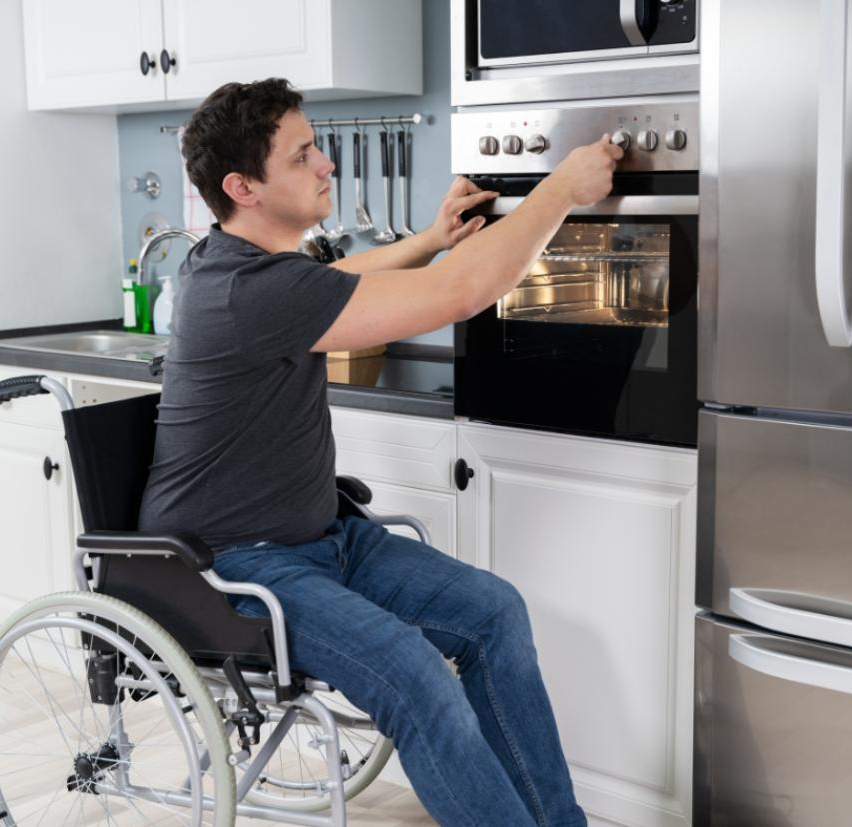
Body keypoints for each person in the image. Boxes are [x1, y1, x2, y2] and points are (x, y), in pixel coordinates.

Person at [139, 78, 622, 826]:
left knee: (494, 612)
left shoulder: (242, 267)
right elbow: (461, 294)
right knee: (416, 675)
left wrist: (427, 240)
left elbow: (331, 281)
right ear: (244, 187)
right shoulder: (247, 291)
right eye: (302, 155)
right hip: (234, 565)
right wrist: (561, 188)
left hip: (324, 539)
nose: (326, 164)